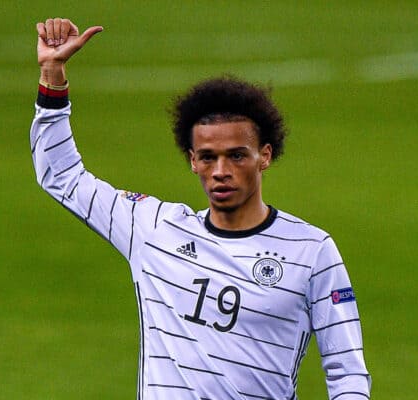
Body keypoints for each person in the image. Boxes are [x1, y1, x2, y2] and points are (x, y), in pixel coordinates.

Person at [31, 17, 371, 400]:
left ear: (265, 156)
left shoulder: (311, 251)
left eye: (236, 156)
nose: (221, 172)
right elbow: (62, 177)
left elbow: (347, 372)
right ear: (192, 160)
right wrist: (52, 75)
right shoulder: (152, 228)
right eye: (207, 157)